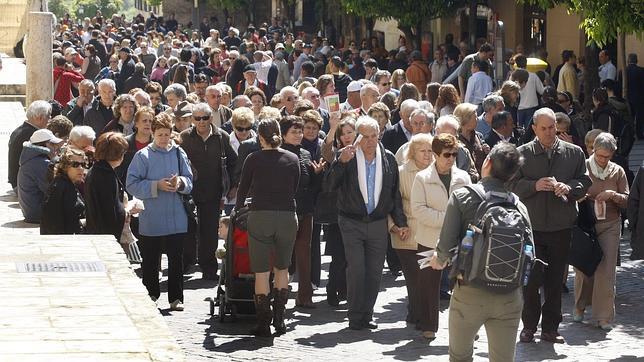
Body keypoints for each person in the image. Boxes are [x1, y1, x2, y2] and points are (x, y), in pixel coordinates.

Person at [430, 142, 530, 362]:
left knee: (460, 357)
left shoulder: (463, 196)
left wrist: (439, 259)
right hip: (509, 296)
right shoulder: (520, 207)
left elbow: (445, 247)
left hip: (470, 292)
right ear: (513, 174)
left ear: (487, 162)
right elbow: (529, 252)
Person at [510, 107, 591, 344]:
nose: (549, 132)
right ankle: (529, 327)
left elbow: (584, 182)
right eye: (544, 128)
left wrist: (570, 188)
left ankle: (551, 328)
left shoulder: (573, 152)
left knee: (555, 281)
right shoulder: (522, 153)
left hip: (561, 226)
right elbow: (511, 185)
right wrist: (533, 186)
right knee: (530, 280)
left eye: (552, 127)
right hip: (531, 227)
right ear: (534, 128)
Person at [327, 116, 408, 330]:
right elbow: (329, 186)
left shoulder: (388, 158)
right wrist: (340, 163)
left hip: (378, 222)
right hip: (351, 221)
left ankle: (367, 314)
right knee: (356, 269)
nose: (371, 141)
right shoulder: (347, 155)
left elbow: (394, 194)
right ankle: (354, 315)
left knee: (373, 271)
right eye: (366, 137)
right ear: (357, 137)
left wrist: (400, 222)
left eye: (375, 136)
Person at [235, 118, 300, 336]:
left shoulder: (253, 158)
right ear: (280, 134)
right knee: (282, 268)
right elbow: (295, 188)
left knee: (261, 272)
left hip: (260, 215)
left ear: (260, 138)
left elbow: (242, 191)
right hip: (287, 216)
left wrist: (237, 212)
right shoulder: (292, 158)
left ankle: (263, 323)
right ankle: (280, 320)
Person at [126, 115, 194, 311]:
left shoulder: (178, 153)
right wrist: (156, 185)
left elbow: (189, 181)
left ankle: (176, 298)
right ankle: (151, 294)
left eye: (167, 134)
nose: (164, 138)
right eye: (160, 134)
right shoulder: (143, 156)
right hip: (152, 218)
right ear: (152, 134)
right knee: (150, 259)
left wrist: (179, 183)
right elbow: (132, 184)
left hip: (176, 216)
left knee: (175, 260)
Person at [410, 133, 471, 340]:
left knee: (464, 286)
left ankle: (468, 327)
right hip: (428, 240)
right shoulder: (422, 178)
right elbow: (418, 210)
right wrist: (448, 218)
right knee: (427, 285)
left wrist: (457, 224)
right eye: (446, 154)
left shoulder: (463, 177)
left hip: (458, 242)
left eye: (454, 154)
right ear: (435, 155)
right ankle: (428, 325)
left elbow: (469, 209)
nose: (451, 158)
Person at [574, 132, 628, 330]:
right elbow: (573, 190)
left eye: (607, 156)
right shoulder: (584, 167)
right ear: (593, 150)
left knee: (606, 270)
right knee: (584, 269)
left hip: (610, 224)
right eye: (599, 155)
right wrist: (583, 196)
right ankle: (580, 306)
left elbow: (628, 199)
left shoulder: (618, 171)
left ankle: (603, 316)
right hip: (587, 224)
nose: (603, 160)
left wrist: (613, 195)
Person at [180, 103, 237, 280]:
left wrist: (234, 185)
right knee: (188, 228)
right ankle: (187, 262)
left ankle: (209, 267)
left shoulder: (222, 137)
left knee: (210, 231)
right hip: (189, 191)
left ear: (211, 118)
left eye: (205, 118)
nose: (201, 122)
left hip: (213, 191)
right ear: (192, 120)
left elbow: (234, 163)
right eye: (197, 118)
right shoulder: (185, 137)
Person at [280, 116, 324, 307]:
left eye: (300, 131)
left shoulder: (306, 153)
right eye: (294, 132)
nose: (298, 135)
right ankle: (278, 294)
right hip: (284, 212)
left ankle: (305, 296)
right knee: (281, 255)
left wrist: (317, 174)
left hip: (305, 211)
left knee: (304, 254)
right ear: (283, 135)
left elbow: (312, 187)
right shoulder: (278, 153)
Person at [391, 133, 433, 332]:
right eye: (422, 151)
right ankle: (417, 314)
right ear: (412, 153)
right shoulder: (401, 172)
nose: (427, 155)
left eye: (430, 150)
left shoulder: (437, 172)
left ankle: (421, 315)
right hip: (405, 234)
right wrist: (394, 226)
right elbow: (391, 202)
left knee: (427, 278)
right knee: (413, 277)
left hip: (429, 234)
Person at [84, 132, 129, 241]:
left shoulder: (97, 170)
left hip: (97, 231)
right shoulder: (106, 176)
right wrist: (127, 210)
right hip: (104, 236)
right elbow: (110, 210)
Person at [17, 129, 64, 223]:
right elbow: (53, 190)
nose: (57, 148)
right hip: (37, 213)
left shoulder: (34, 159)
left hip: (31, 211)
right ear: (46, 145)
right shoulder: (41, 163)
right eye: (53, 144)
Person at [40, 148, 87, 235]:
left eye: (83, 164)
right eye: (75, 164)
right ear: (65, 167)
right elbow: (53, 223)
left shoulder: (68, 183)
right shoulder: (60, 187)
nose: (81, 168)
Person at [9, 100, 51, 190]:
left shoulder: (20, 130)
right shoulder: (34, 135)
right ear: (40, 118)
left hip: (17, 181)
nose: (50, 118)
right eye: (48, 116)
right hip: (22, 185)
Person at [454, 103, 489, 173]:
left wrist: (486, 150)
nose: (478, 120)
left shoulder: (478, 136)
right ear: (466, 119)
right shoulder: (455, 139)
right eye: (475, 117)